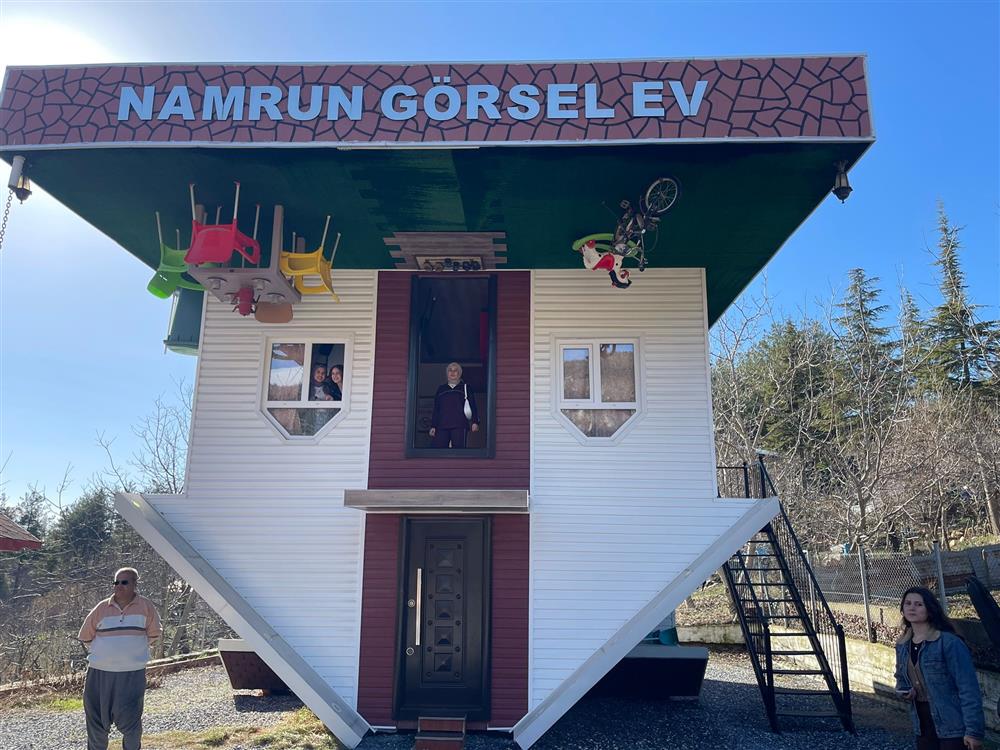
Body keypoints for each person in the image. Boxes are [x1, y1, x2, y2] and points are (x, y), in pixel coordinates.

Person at [78, 567, 162, 750]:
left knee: (131, 721)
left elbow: (154, 634)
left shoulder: (146, 607)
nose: (119, 586)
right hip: (99, 673)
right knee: (96, 720)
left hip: (132, 674)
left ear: (134, 584)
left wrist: (131, 651)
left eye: (124, 582)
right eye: (116, 582)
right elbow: (85, 636)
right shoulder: (101, 608)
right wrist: (107, 652)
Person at [894, 586, 984, 750]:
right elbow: (901, 679)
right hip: (922, 724)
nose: (912, 608)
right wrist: (905, 691)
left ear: (930, 609)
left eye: (919, 604)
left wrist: (973, 731)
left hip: (952, 723)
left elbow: (968, 688)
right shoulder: (902, 645)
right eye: (908, 603)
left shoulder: (949, 643)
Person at [429, 362, 479, 448]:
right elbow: (436, 409)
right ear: (447, 373)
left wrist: (475, 422)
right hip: (442, 425)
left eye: (455, 370)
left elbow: (473, 406)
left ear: (459, 373)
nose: (452, 372)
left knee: (459, 451)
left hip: (460, 425)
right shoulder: (441, 389)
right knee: (440, 451)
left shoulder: (465, 388)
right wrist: (433, 426)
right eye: (450, 370)